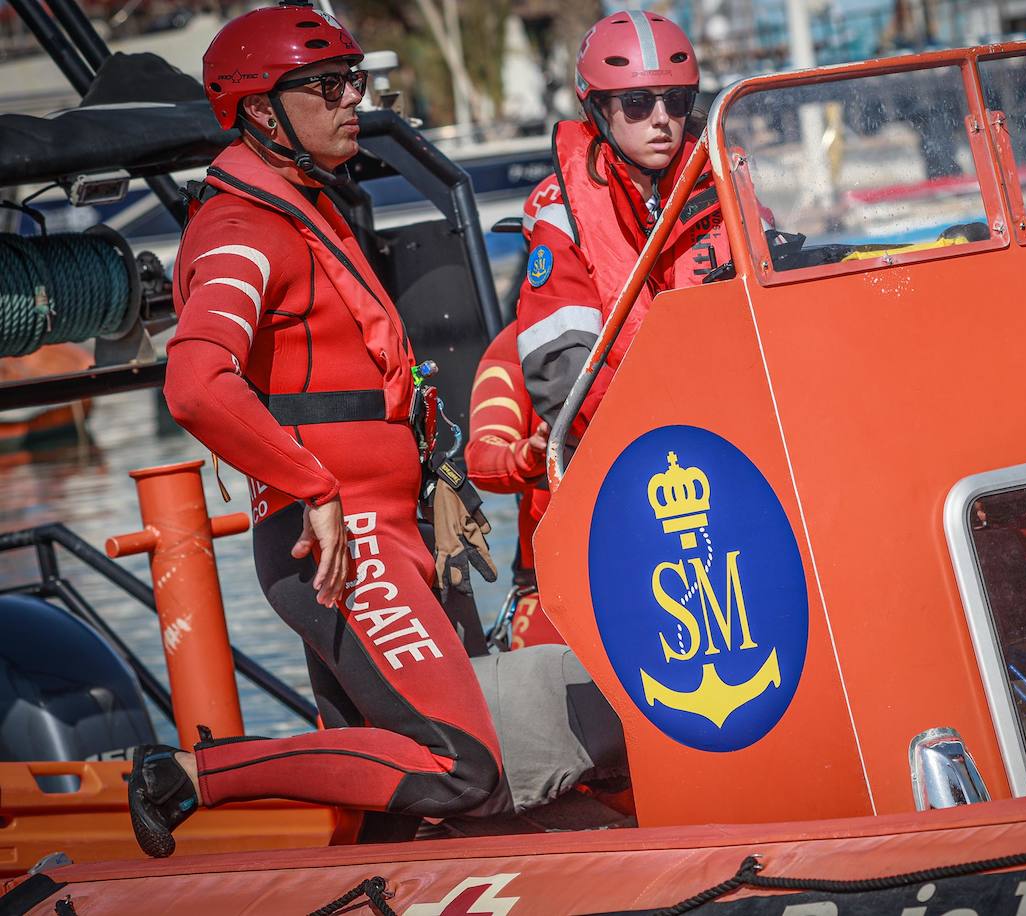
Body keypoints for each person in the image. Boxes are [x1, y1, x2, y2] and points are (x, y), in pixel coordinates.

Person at [129, 0, 501, 857]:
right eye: (326, 86)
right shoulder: (237, 231)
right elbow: (194, 385)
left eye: (353, 81)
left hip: (385, 530)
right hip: (339, 543)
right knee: (462, 768)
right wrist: (314, 489)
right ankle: (189, 777)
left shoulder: (306, 201)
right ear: (261, 111)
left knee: (397, 800)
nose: (351, 101)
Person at [516, 10, 730, 434]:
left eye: (676, 100)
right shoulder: (563, 222)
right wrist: (657, 425)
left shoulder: (728, 193)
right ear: (597, 109)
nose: (661, 118)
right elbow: (561, 369)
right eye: (636, 102)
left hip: (738, 423)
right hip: (635, 443)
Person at [465, 323, 563, 648]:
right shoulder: (521, 339)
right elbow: (482, 456)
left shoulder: (668, 313)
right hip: (553, 585)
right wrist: (530, 452)